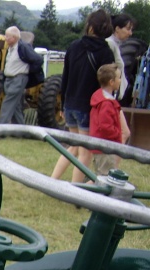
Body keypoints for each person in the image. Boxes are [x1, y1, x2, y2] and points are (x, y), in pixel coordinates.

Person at [51, 9, 115, 183]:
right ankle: (76, 191)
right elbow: (106, 83)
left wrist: (63, 102)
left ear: (90, 26)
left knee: (73, 147)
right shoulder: (105, 52)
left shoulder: (74, 46)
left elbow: (66, 76)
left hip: (70, 104)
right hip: (88, 107)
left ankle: (52, 181)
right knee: (84, 151)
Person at [0, 26, 45, 125]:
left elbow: (38, 60)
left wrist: (28, 71)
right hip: (9, 79)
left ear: (14, 38)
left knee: (8, 103)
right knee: (16, 106)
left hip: (18, 79)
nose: (5, 38)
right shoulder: (10, 48)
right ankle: (20, 129)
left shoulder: (23, 47)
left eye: (7, 36)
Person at [107, 13, 136, 144]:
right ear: (117, 28)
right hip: (109, 97)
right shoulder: (110, 44)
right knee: (124, 133)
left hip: (113, 97)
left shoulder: (115, 45)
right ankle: (111, 165)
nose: (130, 33)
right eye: (128, 29)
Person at [90, 63, 124, 175]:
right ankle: (79, 191)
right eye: (119, 78)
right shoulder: (106, 104)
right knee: (105, 178)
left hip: (101, 146)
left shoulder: (100, 98)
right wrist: (117, 133)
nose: (120, 80)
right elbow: (105, 126)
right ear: (111, 82)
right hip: (105, 147)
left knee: (100, 176)